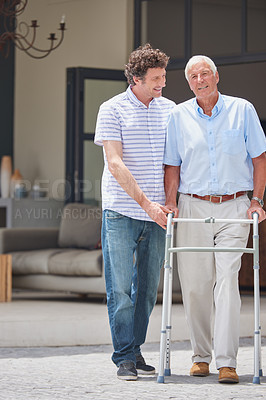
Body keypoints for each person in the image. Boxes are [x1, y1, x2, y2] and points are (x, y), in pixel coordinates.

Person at [164, 55, 266, 384]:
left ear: (217, 76)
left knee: (227, 281)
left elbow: (260, 158)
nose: (199, 79)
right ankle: (200, 357)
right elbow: (173, 165)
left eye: (205, 73)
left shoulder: (243, 110)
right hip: (192, 206)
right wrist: (170, 203)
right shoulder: (178, 115)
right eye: (193, 75)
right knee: (194, 287)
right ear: (188, 82)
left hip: (234, 206)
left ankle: (227, 361)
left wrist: (257, 200)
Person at [94, 44, 175, 381]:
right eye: (156, 78)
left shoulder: (170, 109)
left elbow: (174, 163)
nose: (163, 83)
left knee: (146, 289)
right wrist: (147, 204)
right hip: (122, 211)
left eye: (164, 76)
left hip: (158, 214)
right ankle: (124, 357)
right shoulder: (112, 109)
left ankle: (135, 349)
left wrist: (168, 202)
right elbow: (115, 163)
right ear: (137, 79)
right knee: (121, 289)